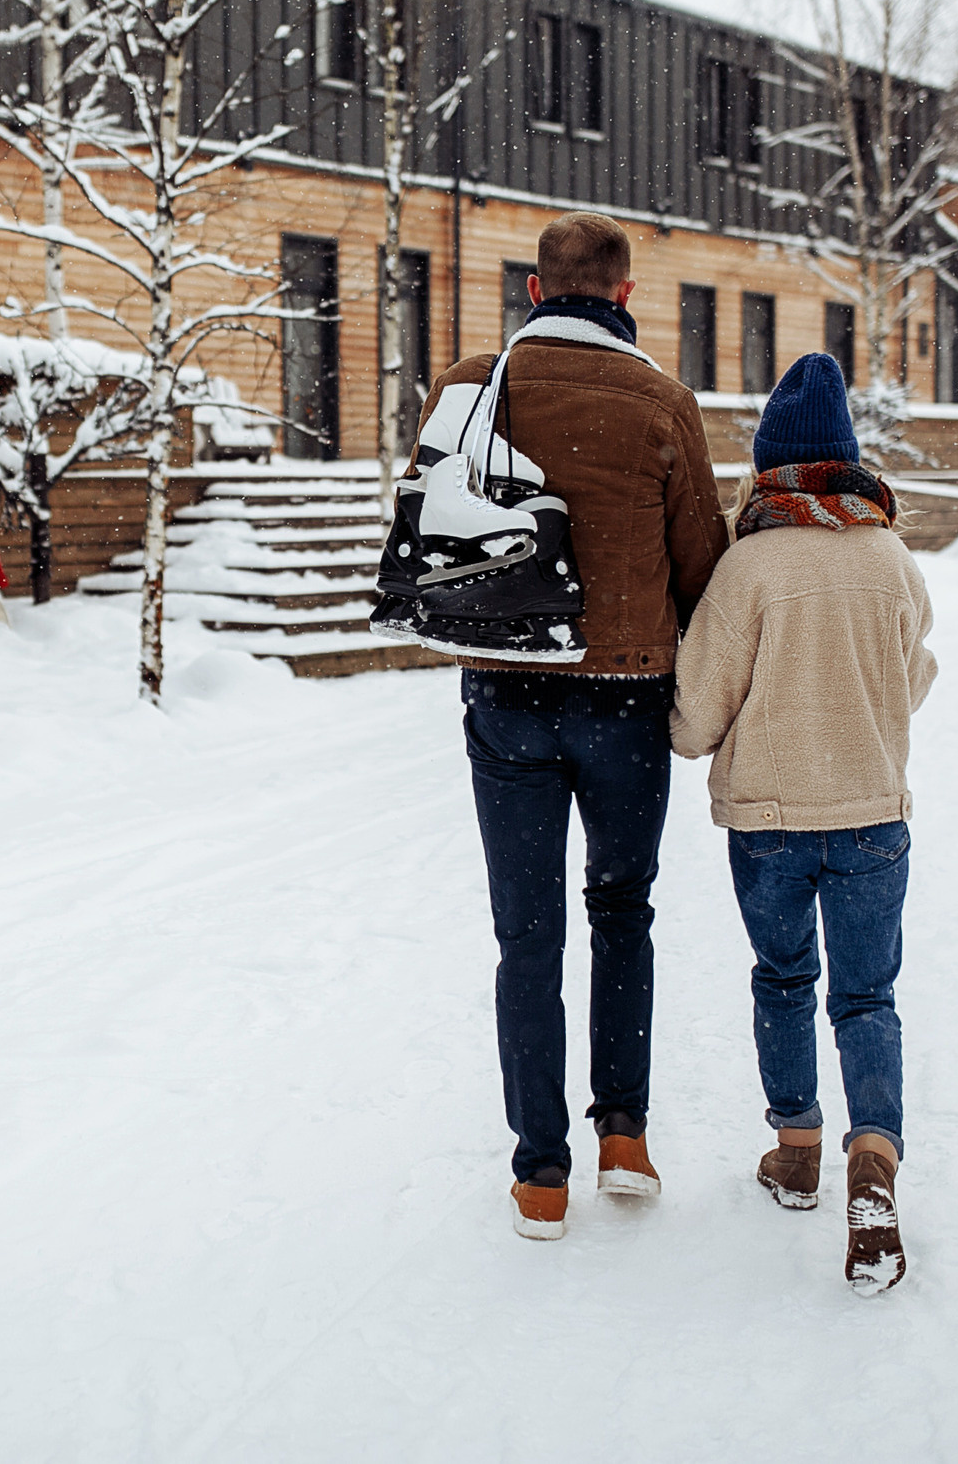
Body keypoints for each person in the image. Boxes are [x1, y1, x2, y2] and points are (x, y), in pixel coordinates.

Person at [422, 211, 729, 1241]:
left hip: (506, 692)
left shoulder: (472, 385)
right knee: (621, 911)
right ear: (627, 295)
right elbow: (702, 565)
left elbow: (434, 514)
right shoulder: (662, 402)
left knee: (526, 936)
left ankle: (540, 1174)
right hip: (625, 703)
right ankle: (625, 1137)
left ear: (534, 289)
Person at [669, 351, 937, 1295]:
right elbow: (915, 676)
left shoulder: (748, 566)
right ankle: (876, 1158)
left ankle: (796, 1150)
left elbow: (696, 716)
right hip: (872, 815)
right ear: (848, 458)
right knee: (868, 997)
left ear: (769, 465)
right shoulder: (891, 559)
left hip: (770, 822)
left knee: (784, 979)